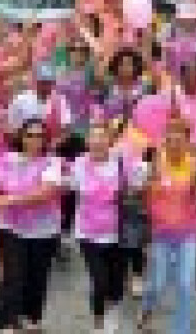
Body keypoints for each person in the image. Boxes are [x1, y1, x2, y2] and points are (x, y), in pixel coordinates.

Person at [0, 117, 64, 333]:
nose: (34, 139)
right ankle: (4, 325)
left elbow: (46, 193)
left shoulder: (53, 162)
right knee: (13, 277)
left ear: (45, 140)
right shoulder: (6, 159)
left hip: (45, 231)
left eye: (40, 136)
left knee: (37, 278)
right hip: (11, 228)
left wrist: (11, 199)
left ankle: (32, 320)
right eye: (30, 135)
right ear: (21, 137)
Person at [138, 118, 196, 334]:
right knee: (157, 285)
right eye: (170, 140)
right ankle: (147, 310)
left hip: (188, 234)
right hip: (161, 234)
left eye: (179, 140)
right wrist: (151, 183)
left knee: (186, 285)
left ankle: (181, 330)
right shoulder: (156, 165)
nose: (175, 145)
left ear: (187, 142)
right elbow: (145, 197)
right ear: (165, 142)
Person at [72, 123, 131, 334]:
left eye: (102, 137)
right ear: (87, 142)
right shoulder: (78, 164)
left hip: (117, 233)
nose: (97, 142)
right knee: (99, 282)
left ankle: (113, 312)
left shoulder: (121, 164)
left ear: (110, 141)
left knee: (116, 283)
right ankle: (98, 325)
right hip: (88, 233)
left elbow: (136, 188)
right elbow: (75, 187)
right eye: (93, 137)